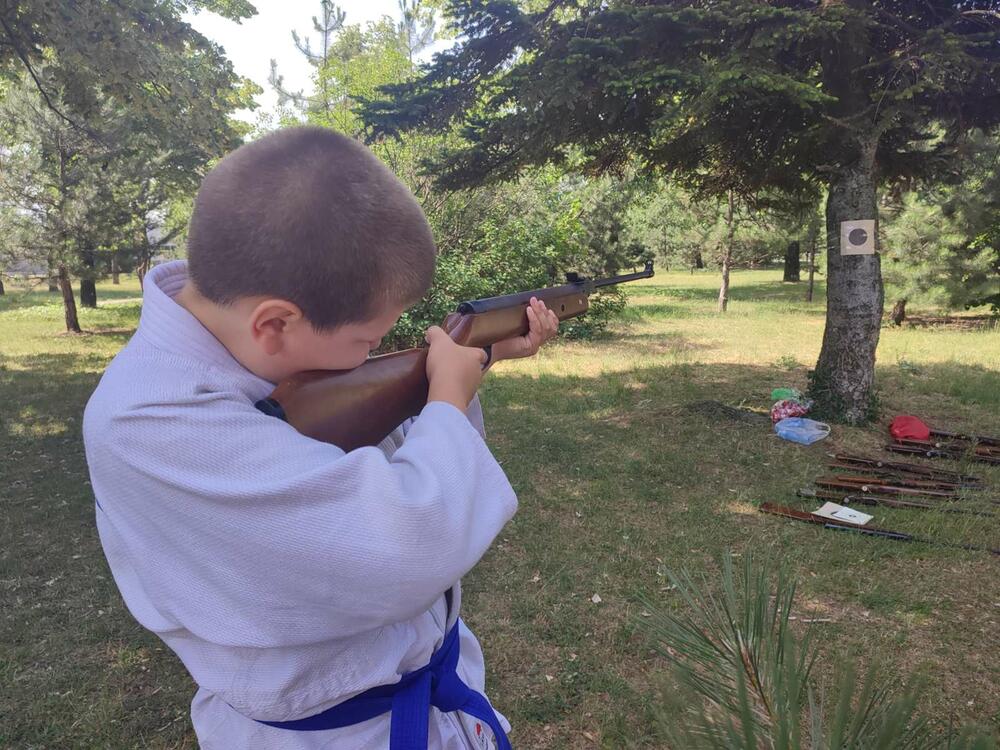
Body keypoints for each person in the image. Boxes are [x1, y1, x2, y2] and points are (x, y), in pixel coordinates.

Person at [83, 126, 559, 749]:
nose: (371, 354)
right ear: (275, 323)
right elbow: (402, 547)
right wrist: (446, 395)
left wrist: (477, 359)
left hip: (428, 693)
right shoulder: (149, 424)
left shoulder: (260, 354)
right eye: (368, 341)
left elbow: (385, 449)